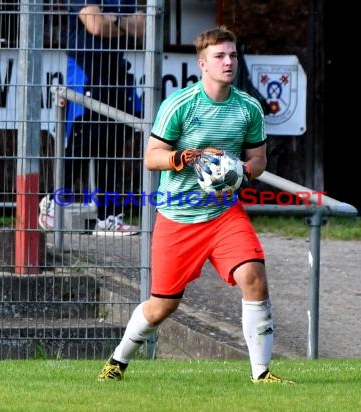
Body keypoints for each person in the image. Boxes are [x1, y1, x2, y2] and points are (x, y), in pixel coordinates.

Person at [97, 26, 294, 384]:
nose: (229, 62)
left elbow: (259, 159)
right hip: (177, 215)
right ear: (202, 63)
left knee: (254, 276)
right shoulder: (180, 104)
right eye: (220, 56)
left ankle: (261, 374)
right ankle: (117, 360)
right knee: (162, 307)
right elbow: (152, 157)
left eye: (233, 55)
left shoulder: (248, 107)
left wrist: (241, 171)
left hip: (223, 214)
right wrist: (184, 157)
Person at [38, 0, 145, 234]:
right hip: (87, 72)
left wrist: (114, 20)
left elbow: (143, 27)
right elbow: (96, 26)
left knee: (113, 144)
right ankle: (53, 202)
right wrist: (121, 25)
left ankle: (108, 217)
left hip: (116, 73)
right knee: (83, 141)